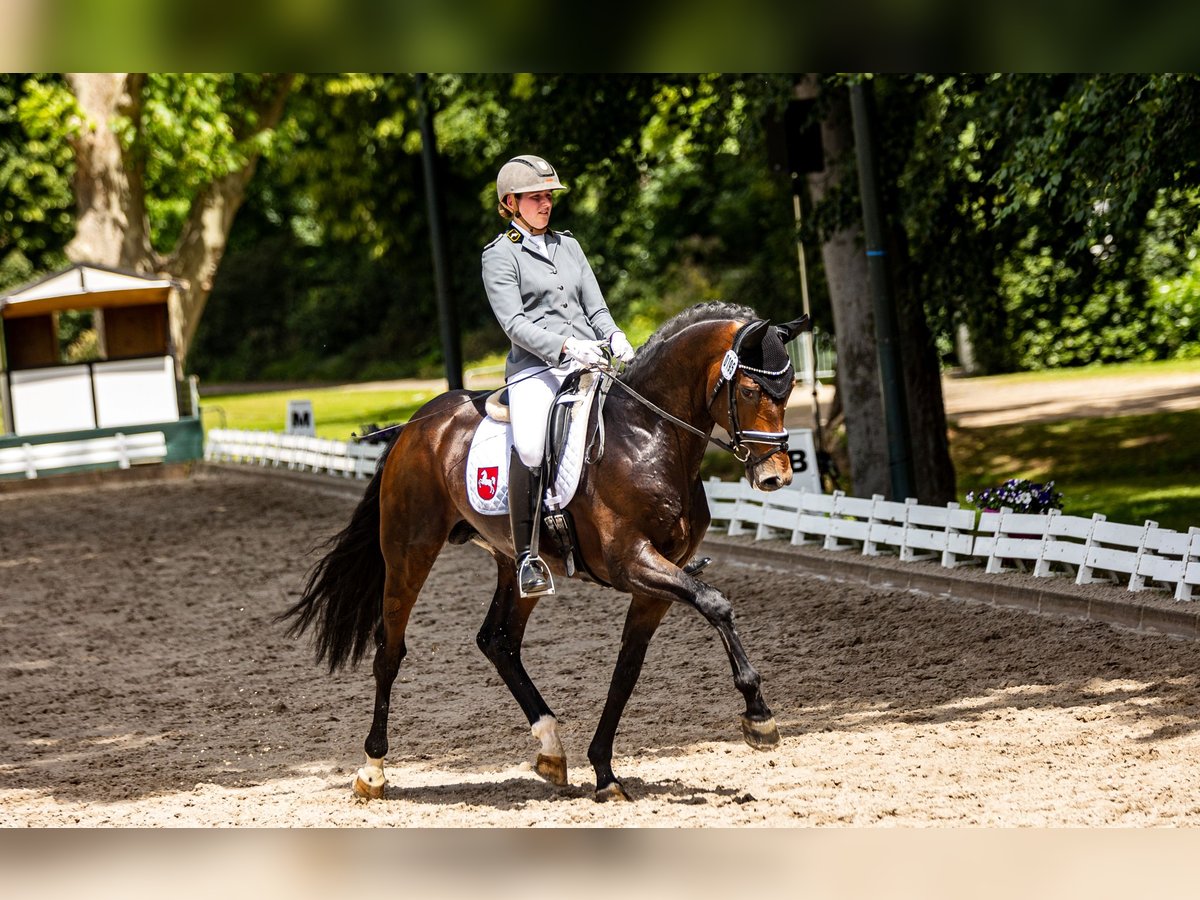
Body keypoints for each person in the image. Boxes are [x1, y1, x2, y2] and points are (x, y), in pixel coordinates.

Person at [481, 154, 635, 598]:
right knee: (530, 444)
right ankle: (527, 554)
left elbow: (596, 307)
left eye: (549, 196)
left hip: (590, 357)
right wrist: (565, 346)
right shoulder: (500, 255)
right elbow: (514, 324)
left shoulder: (569, 245)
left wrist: (614, 334)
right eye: (536, 197)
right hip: (536, 367)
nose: (546, 203)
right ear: (511, 202)